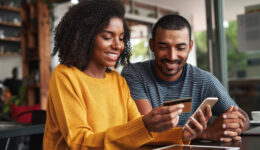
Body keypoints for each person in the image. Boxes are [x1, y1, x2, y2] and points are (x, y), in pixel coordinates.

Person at [43, 1, 212, 149]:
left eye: (122, 38)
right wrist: (144, 126)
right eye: (107, 37)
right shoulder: (65, 76)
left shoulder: (117, 80)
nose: (118, 45)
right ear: (85, 38)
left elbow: (138, 133)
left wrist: (183, 134)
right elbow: (79, 142)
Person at [122, 14, 250, 143]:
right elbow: (148, 131)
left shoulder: (204, 80)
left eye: (180, 48)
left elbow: (243, 118)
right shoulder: (134, 75)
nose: (172, 56)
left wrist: (229, 126)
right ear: (152, 45)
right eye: (163, 47)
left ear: (190, 47)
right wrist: (206, 133)